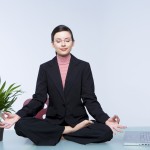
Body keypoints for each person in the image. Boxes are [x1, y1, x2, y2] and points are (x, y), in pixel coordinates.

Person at [0, 25, 126, 145]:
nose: (63, 44)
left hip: (79, 121)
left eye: (67, 40)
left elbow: (90, 99)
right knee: (20, 125)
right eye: (58, 41)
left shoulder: (83, 67)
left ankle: (57, 135)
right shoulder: (45, 68)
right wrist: (17, 116)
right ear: (52, 44)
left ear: (73, 43)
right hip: (54, 122)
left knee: (107, 132)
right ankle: (68, 131)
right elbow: (39, 99)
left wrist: (105, 119)